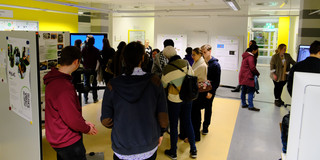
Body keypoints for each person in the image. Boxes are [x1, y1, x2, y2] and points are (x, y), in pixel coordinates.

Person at [100, 42, 168, 160]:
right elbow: (163, 116)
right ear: (143, 57)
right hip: (148, 146)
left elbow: (106, 120)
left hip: (122, 147)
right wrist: (161, 133)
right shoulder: (155, 81)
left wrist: (120, 126)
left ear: (124, 59)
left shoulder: (113, 84)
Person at [44, 46, 97, 160]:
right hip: (68, 141)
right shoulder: (64, 86)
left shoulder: (52, 80)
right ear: (76, 62)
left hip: (57, 137)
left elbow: (65, 112)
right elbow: (71, 119)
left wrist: (83, 122)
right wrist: (87, 129)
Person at [161, 46, 197, 159]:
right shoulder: (186, 63)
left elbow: (164, 85)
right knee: (188, 121)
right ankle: (193, 149)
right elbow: (193, 76)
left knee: (174, 124)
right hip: (187, 97)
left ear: (166, 57)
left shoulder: (167, 68)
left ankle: (173, 152)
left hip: (174, 99)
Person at [201, 44, 221, 134]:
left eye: (204, 52)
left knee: (208, 108)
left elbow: (217, 81)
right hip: (201, 89)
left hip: (209, 90)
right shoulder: (202, 62)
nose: (203, 54)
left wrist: (211, 92)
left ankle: (206, 126)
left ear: (210, 51)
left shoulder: (215, 65)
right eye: (202, 52)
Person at [190, 48, 208, 141]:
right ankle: (194, 135)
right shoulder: (197, 62)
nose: (192, 56)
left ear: (199, 55)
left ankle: (196, 136)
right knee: (194, 114)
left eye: (194, 55)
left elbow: (191, 75)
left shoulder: (201, 65)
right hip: (196, 92)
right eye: (192, 54)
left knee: (196, 116)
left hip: (199, 93)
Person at [239, 44, 260, 112]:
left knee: (243, 90)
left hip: (243, 76)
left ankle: (244, 104)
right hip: (248, 77)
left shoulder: (245, 55)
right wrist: (257, 73)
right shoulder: (250, 57)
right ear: (253, 50)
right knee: (251, 91)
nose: (257, 52)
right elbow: (252, 68)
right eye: (257, 50)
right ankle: (251, 106)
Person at [82, 37, 100, 104]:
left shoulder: (84, 49)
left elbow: (80, 57)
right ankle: (95, 99)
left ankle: (85, 99)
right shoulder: (96, 50)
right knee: (94, 84)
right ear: (93, 42)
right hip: (93, 69)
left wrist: (83, 63)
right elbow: (99, 60)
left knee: (86, 84)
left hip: (86, 69)